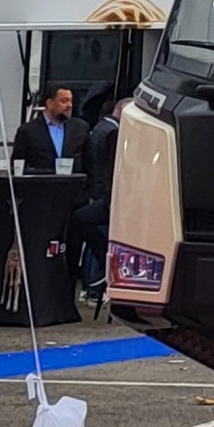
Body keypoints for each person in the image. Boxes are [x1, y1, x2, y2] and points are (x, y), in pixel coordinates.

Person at [72, 98, 123, 302]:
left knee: (92, 238)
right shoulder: (114, 133)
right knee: (101, 240)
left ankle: (89, 286)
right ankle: (95, 287)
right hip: (106, 193)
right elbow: (111, 167)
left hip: (96, 190)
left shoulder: (99, 128)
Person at [15, 84, 89, 175]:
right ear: (49, 103)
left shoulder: (81, 128)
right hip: (42, 185)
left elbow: (90, 164)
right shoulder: (28, 131)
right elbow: (17, 167)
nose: (69, 105)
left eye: (71, 101)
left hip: (73, 185)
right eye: (64, 101)